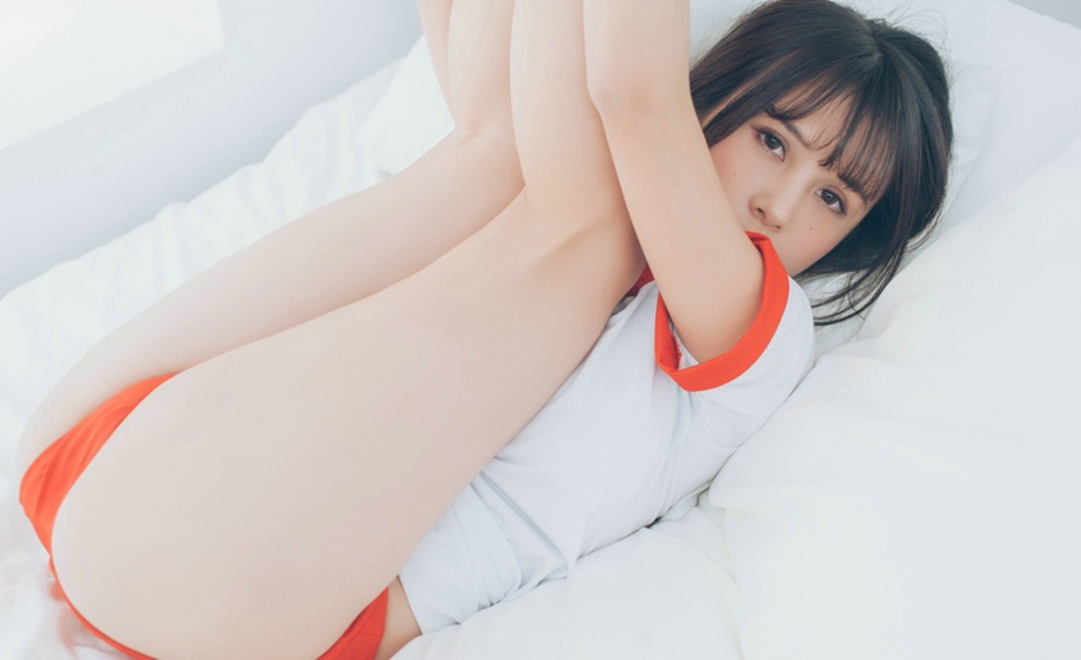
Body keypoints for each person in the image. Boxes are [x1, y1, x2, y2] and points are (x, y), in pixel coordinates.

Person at [15, 0, 952, 658]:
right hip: (111, 442)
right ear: (714, 108)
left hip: (222, 585)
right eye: (771, 141)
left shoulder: (765, 334)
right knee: (494, 151)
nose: (779, 202)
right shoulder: (556, 213)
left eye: (832, 198)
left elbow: (631, 87)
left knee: (552, 193)